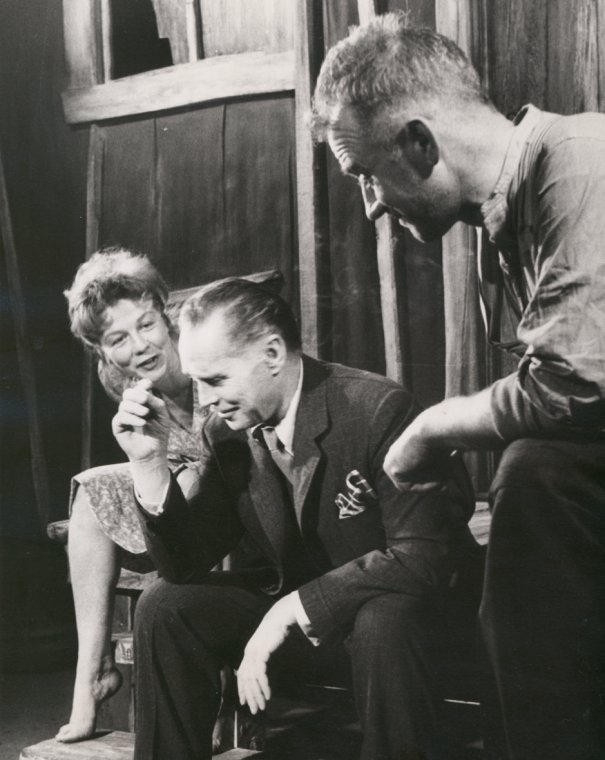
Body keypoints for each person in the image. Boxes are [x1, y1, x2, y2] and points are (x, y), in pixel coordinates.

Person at [311, 13, 605, 760]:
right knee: (533, 479)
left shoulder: (579, 165)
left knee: (533, 476)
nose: (371, 205)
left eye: (364, 175)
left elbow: (574, 384)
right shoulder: (503, 226)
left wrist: (430, 427)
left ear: (418, 142)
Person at [112, 277, 477, 760]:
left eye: (215, 380)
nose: (205, 399)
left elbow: (423, 557)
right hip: (315, 632)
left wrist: (291, 608)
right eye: (196, 381)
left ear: (272, 353)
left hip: (411, 632)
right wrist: (148, 464)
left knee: (384, 618)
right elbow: (184, 565)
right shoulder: (225, 432)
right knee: (165, 604)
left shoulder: (377, 409)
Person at [56, 248, 205, 743]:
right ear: (100, 351)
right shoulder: (115, 377)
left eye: (146, 325)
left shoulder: (203, 345)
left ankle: (202, 692)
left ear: (165, 313)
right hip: (175, 468)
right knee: (91, 491)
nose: (140, 346)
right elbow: (161, 450)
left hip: (239, 474)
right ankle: (93, 674)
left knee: (190, 490)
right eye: (118, 339)